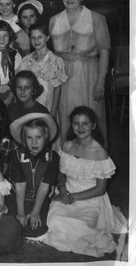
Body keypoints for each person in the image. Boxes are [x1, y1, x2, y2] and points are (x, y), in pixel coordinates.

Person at [43, 106, 126, 257]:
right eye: (76, 123)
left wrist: (72, 197)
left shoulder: (99, 153)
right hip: (67, 190)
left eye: (85, 123)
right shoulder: (66, 146)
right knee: (53, 219)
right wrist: (62, 189)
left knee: (81, 224)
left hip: (91, 197)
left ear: (93, 126)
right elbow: (60, 173)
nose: (80, 127)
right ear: (71, 125)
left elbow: (100, 189)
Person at [49, 0, 110, 144]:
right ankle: (68, 163)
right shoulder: (54, 20)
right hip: (62, 78)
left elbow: (104, 52)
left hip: (88, 76)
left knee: (88, 118)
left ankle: (91, 164)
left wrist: (100, 82)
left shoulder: (96, 19)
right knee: (65, 117)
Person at [7, 117, 59, 238]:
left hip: (38, 200)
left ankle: (34, 213)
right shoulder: (16, 155)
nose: (34, 142)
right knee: (13, 225)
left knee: (37, 229)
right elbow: (20, 184)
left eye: (38, 137)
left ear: (45, 136)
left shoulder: (52, 157)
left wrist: (35, 212)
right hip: (17, 198)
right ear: (24, 139)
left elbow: (45, 185)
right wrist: (20, 212)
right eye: (29, 138)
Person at [18, 22, 67, 117]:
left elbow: (57, 89)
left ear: (47, 37)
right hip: (29, 105)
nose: (36, 40)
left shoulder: (54, 60)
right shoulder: (26, 60)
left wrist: (53, 112)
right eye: (33, 37)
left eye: (40, 37)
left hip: (47, 104)